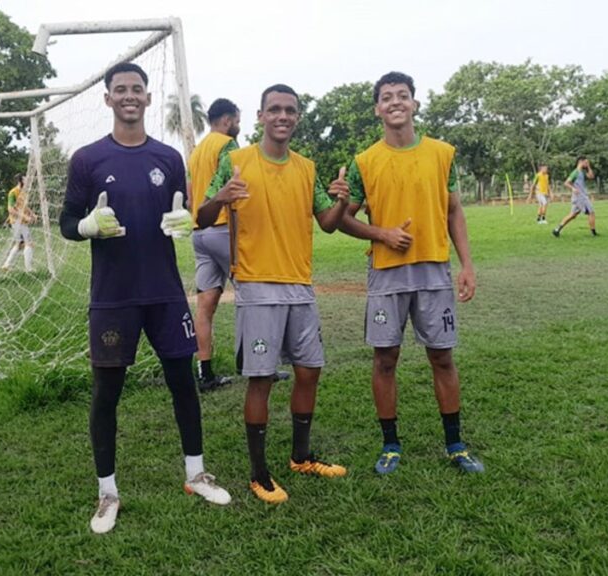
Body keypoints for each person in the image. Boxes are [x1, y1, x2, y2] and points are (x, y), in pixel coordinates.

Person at [59, 62, 230, 535]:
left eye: (137, 89)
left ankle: (196, 474)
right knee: (106, 394)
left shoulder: (169, 158)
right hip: (113, 298)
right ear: (108, 99)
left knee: (183, 383)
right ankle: (107, 492)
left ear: (149, 98)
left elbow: (183, 213)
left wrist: (184, 224)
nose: (130, 96)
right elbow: (67, 223)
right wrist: (88, 227)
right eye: (120, 90)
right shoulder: (88, 160)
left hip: (165, 295)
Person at [196, 84, 350, 504]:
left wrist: (341, 201)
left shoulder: (307, 168)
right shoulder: (235, 161)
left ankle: (301, 456)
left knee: (309, 370)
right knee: (261, 378)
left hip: (300, 284)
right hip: (258, 285)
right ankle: (259, 473)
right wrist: (223, 197)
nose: (283, 116)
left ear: (297, 118)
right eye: (274, 110)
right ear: (261, 116)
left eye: (290, 110)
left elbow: (328, 223)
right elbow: (202, 214)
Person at [338, 71, 484, 476]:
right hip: (386, 274)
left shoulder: (442, 153)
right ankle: (390, 445)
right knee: (385, 358)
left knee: (442, 356)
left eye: (403, 95)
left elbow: (454, 210)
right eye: (387, 97)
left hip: (434, 270)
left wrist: (467, 264)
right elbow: (342, 220)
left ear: (415, 104)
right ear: (377, 109)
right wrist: (381, 233)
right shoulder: (364, 162)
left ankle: (455, 444)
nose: (395, 102)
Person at [188, 98, 240, 392]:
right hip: (222, 227)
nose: (237, 125)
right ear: (228, 119)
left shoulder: (197, 151)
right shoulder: (227, 145)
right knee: (250, 293)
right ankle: (258, 364)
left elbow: (190, 189)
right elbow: (236, 181)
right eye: (237, 119)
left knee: (205, 306)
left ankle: (204, 373)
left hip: (200, 231)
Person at [552, 156, 597, 237]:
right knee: (591, 212)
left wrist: (589, 166)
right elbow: (566, 182)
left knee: (573, 215)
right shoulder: (575, 172)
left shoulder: (582, 172)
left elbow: (591, 176)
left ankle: (557, 229)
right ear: (580, 162)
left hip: (578, 197)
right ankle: (593, 233)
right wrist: (573, 188)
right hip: (581, 197)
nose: (586, 164)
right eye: (585, 162)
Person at [1, 174, 36, 272]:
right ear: (20, 181)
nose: (27, 181)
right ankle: (29, 269)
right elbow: (11, 209)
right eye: (25, 179)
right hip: (17, 222)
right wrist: (25, 217)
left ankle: (6, 265)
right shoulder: (13, 192)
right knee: (29, 243)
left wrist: (32, 214)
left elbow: (24, 206)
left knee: (19, 244)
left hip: (21, 222)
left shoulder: (23, 193)